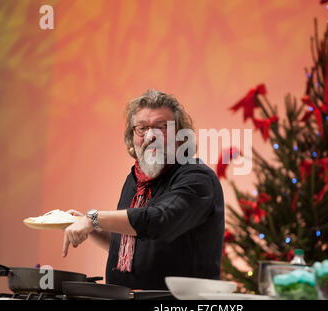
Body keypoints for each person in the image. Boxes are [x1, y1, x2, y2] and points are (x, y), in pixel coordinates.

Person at [62, 89, 225, 290]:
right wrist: (92, 229)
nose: (150, 136)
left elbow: (159, 221)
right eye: (142, 128)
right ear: (132, 136)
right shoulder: (134, 180)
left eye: (161, 127)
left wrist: (93, 218)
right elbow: (129, 247)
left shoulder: (197, 178)